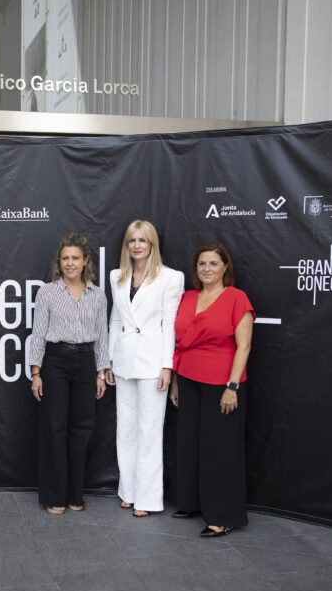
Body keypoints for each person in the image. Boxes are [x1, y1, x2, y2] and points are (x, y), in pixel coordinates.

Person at [169, 242, 254, 537]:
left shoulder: (236, 298)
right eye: (202, 264)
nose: (207, 269)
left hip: (222, 383)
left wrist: (232, 386)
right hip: (188, 379)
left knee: (219, 449)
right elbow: (180, 343)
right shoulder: (188, 297)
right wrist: (177, 382)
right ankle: (192, 503)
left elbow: (243, 346)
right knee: (190, 444)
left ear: (225, 268)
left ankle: (222, 515)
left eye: (214, 264)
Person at [105, 220, 184, 517]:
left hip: (153, 363)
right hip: (124, 362)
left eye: (142, 240)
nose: (137, 245)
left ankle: (148, 499)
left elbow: (169, 325)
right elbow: (114, 319)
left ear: (152, 244)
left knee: (150, 432)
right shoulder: (118, 276)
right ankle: (129, 490)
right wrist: (110, 360)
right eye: (132, 240)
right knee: (125, 430)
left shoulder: (170, 278)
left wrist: (167, 366)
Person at [29, 232, 109, 514]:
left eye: (75, 258)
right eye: (65, 258)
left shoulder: (97, 294)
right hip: (56, 362)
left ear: (85, 260)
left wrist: (102, 371)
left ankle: (75, 495)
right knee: (54, 428)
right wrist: (36, 373)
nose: (70, 263)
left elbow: (102, 335)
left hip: (86, 362)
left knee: (82, 429)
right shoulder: (48, 293)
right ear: (59, 263)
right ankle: (54, 497)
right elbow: (38, 334)